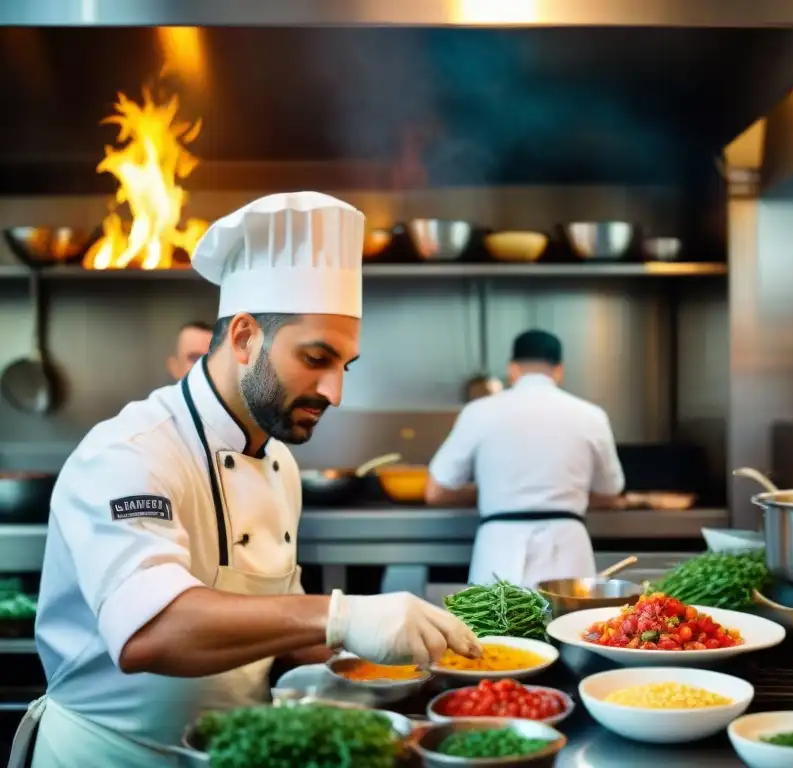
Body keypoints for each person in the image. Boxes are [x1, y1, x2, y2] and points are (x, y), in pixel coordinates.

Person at [10, 192, 480, 768]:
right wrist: (344, 616)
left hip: (234, 752)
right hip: (112, 756)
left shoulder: (279, 464)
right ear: (243, 337)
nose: (335, 393)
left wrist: (408, 658)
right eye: (316, 358)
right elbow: (149, 632)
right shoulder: (131, 453)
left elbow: (277, 620)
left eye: (344, 367)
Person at [425, 329, 626, 588]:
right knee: (568, 627)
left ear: (513, 369)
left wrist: (491, 491)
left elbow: (435, 491)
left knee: (491, 626)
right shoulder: (592, 415)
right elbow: (611, 494)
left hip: (498, 549)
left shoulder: (478, 412)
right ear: (559, 370)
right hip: (568, 551)